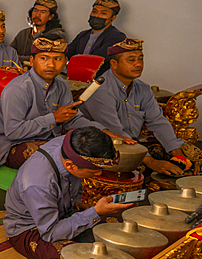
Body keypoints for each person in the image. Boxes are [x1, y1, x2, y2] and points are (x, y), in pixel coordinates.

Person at [2, 127, 133, 259]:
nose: (98, 174)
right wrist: (95, 212)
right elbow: (50, 233)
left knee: (122, 225)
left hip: (66, 212)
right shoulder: (38, 184)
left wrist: (79, 204)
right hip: (33, 230)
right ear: (70, 165)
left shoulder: (70, 144)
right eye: (93, 171)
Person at [80, 38, 191, 176]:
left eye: (140, 59)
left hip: (133, 142)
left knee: (190, 155)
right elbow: (116, 133)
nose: (138, 64)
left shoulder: (143, 88)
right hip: (106, 145)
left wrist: (178, 155)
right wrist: (151, 162)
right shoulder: (101, 90)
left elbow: (157, 121)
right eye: (131, 60)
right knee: (141, 169)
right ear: (114, 64)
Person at [0, 36, 104, 168]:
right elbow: (13, 132)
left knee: (92, 148)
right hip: (15, 147)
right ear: (32, 61)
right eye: (44, 58)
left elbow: (72, 119)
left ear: (65, 62)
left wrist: (104, 131)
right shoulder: (18, 89)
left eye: (57, 59)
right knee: (64, 156)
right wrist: (53, 118)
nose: (50, 64)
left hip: (49, 141)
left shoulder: (61, 85)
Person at [66, 0, 127, 70]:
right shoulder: (83, 35)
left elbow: (96, 60)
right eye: (94, 12)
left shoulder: (117, 37)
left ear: (112, 18)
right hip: (73, 76)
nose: (97, 15)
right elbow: (66, 54)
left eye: (103, 13)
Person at [9, 0, 65, 65]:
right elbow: (9, 54)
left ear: (51, 16)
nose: (37, 15)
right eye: (35, 11)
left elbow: (39, 59)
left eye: (43, 12)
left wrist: (17, 59)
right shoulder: (23, 33)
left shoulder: (56, 35)